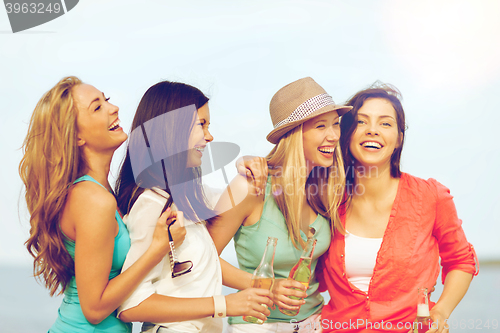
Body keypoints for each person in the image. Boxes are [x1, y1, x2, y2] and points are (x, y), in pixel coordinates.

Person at [19, 76, 178, 333]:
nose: (112, 108)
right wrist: (156, 250)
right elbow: (94, 309)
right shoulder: (94, 200)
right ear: (77, 136)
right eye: (97, 107)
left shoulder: (95, 192)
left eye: (107, 100)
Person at [316, 83, 479, 333]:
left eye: (385, 123)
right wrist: (257, 165)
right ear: (346, 133)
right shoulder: (325, 198)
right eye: (361, 122)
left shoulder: (430, 196)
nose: (372, 130)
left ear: (399, 138)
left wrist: (441, 311)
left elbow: (460, 261)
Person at [114, 80, 273, 333]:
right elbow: (131, 305)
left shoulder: (186, 198)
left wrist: (247, 165)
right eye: (202, 124)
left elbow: (236, 196)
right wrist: (224, 305)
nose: (209, 136)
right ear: (172, 129)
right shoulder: (151, 205)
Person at [208, 77, 352, 332]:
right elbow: (201, 257)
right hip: (257, 325)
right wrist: (265, 285)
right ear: (293, 134)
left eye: (335, 125)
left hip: (314, 324)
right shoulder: (249, 187)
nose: (333, 136)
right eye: (320, 126)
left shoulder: (325, 188)